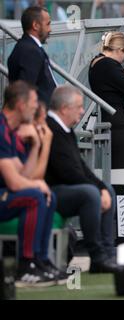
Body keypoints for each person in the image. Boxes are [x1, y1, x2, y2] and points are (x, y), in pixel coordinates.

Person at [45, 85, 119, 273]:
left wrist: (102, 186)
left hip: (66, 187)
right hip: (50, 190)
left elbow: (82, 167)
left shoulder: (65, 129)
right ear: (64, 108)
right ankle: (97, 254)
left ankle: (107, 253)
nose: (82, 111)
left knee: (108, 190)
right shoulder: (49, 128)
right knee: (90, 193)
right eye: (78, 106)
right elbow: (66, 172)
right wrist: (97, 189)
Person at [0, 81, 57, 287]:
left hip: (5, 193)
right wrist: (36, 186)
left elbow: (25, 174)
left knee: (46, 195)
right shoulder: (1, 129)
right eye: (33, 103)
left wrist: (36, 146)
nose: (36, 108)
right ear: (22, 105)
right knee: (34, 196)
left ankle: (39, 260)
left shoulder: (9, 130)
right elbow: (15, 183)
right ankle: (25, 265)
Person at [89, 31, 124, 170]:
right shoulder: (109, 65)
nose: (123, 59)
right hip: (119, 124)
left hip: (109, 120)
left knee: (113, 169)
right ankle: (119, 192)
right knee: (121, 169)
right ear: (119, 50)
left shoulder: (95, 63)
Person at [7, 6, 57, 106]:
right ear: (35, 25)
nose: (50, 29)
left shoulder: (29, 47)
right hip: (38, 117)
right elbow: (26, 94)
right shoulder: (30, 51)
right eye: (48, 24)